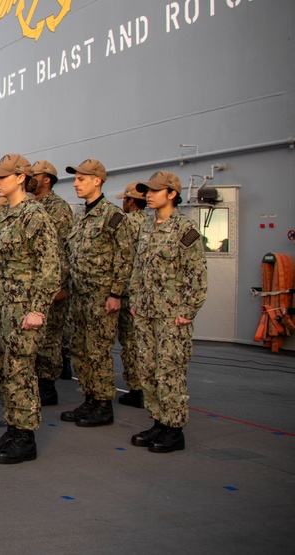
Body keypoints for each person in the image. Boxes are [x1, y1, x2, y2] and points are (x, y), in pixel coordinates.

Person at [0, 154, 60, 464]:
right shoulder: (4, 215)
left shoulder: (33, 215)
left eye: (2, 176)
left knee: (21, 373)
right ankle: (12, 429)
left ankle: (25, 437)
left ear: (21, 178)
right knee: (5, 372)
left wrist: (37, 309)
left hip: (23, 311)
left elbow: (51, 266)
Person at [129, 171, 207, 453]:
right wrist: (135, 299)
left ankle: (174, 428)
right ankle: (158, 422)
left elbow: (196, 274)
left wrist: (187, 310)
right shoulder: (147, 227)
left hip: (172, 315)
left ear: (172, 194)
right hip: (147, 312)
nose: (148, 195)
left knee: (169, 371)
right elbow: (139, 268)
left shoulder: (185, 229)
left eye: (155, 190)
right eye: (147, 191)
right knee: (148, 369)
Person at [60, 159, 134, 427]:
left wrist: (116, 293)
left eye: (81, 179)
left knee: (98, 351)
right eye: (75, 179)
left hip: (101, 297)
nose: (76, 184)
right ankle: (90, 399)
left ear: (97, 181)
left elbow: (125, 256)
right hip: (80, 296)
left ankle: (103, 404)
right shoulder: (83, 215)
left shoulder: (112, 216)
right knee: (80, 349)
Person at [29, 160, 74, 403]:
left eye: (34, 175)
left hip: (52, 283)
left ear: (47, 179)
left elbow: (63, 248)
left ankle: (48, 386)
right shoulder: (30, 205)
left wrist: (60, 284)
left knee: (49, 337)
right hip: (34, 283)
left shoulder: (57, 208)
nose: (30, 179)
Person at [115, 182, 148, 408]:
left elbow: (122, 256)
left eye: (124, 200)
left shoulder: (125, 223)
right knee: (143, 342)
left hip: (126, 291)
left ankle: (136, 389)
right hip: (145, 293)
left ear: (130, 201)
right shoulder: (150, 224)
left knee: (129, 342)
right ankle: (146, 386)